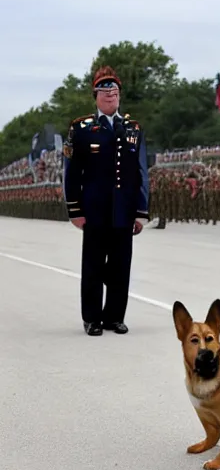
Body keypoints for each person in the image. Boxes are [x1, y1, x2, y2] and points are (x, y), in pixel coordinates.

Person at [63, 66, 149, 336]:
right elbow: (71, 173)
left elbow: (141, 172)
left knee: (121, 267)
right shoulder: (82, 129)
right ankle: (92, 319)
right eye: (104, 91)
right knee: (93, 267)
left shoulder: (133, 129)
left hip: (124, 211)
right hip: (95, 210)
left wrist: (140, 212)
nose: (110, 95)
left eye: (115, 91)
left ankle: (114, 317)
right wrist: (74, 210)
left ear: (119, 96)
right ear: (96, 95)